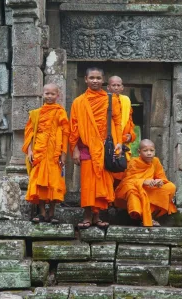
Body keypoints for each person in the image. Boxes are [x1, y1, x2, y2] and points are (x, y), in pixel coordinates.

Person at [69, 67, 123, 229]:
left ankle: (97, 217)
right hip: (86, 147)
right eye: (92, 78)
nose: (95, 81)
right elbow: (74, 127)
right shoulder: (79, 102)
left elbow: (118, 123)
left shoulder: (111, 99)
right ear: (85, 79)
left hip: (105, 148)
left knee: (101, 182)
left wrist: (119, 142)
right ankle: (86, 216)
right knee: (87, 183)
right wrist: (74, 149)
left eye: (98, 78)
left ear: (103, 80)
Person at [22, 83, 70, 224]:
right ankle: (42, 213)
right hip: (39, 153)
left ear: (57, 95)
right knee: (39, 183)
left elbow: (66, 134)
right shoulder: (36, 114)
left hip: (54, 154)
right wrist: (30, 151)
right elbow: (30, 134)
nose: (49, 96)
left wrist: (63, 154)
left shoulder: (60, 112)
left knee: (54, 183)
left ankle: (52, 213)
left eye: (52, 94)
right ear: (42, 94)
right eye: (47, 94)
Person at [114, 139, 177, 227]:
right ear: (139, 152)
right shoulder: (133, 162)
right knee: (130, 189)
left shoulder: (155, 161)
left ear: (155, 151)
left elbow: (162, 177)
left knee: (170, 187)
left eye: (151, 150)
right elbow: (127, 181)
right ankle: (143, 217)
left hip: (149, 190)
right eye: (145, 150)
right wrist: (143, 181)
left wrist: (160, 181)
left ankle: (150, 215)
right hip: (137, 189)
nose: (149, 153)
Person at [107, 76, 136, 160]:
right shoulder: (104, 100)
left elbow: (129, 122)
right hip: (109, 142)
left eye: (118, 85)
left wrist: (131, 136)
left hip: (124, 143)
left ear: (122, 87)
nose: (116, 88)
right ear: (108, 87)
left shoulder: (126, 101)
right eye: (113, 85)